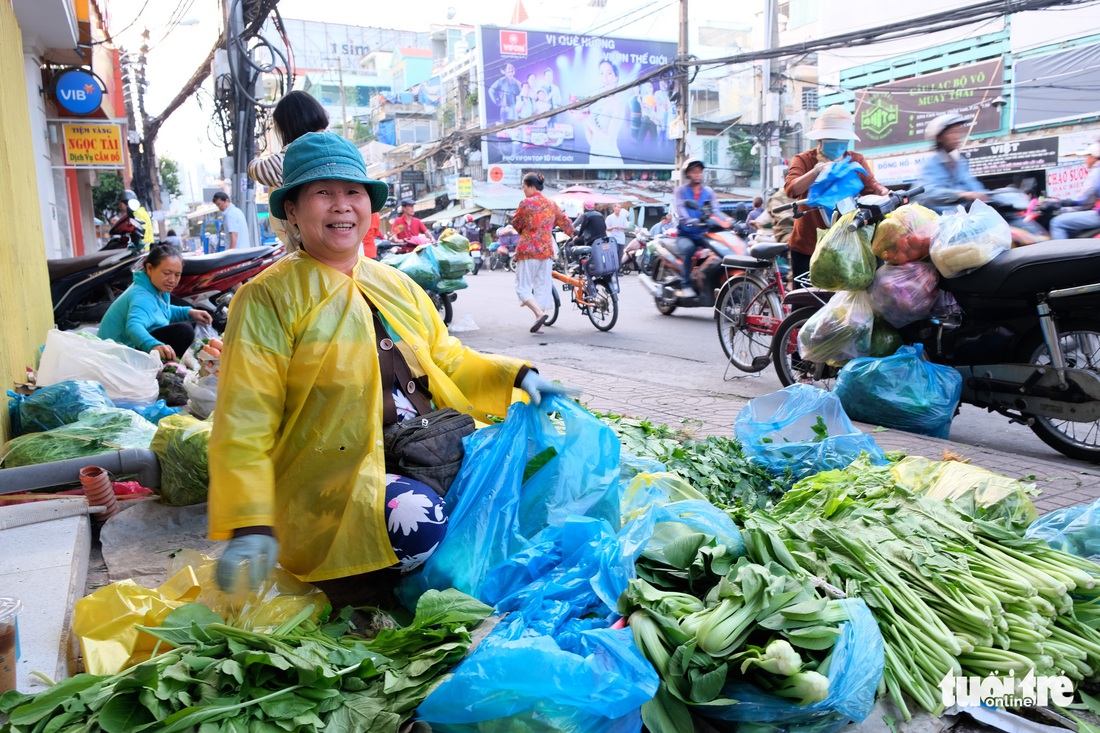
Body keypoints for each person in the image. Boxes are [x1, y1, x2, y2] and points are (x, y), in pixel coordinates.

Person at [207, 133, 574, 607]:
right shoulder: (267, 297)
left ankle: (434, 577)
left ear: (369, 207)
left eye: (353, 193)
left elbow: (450, 359)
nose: (341, 206)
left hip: (425, 449)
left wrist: (519, 376)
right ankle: (371, 587)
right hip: (332, 480)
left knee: (533, 474)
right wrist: (249, 521)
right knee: (419, 520)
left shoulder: (395, 283)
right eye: (323, 193)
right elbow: (245, 416)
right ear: (293, 211)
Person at [784, 105, 888, 284]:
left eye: (842, 139)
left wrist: (884, 192)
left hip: (846, 244)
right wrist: (816, 172)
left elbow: (872, 186)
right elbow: (792, 189)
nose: (838, 142)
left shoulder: (856, 160)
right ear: (821, 138)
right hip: (808, 244)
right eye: (833, 138)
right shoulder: (804, 160)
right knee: (806, 300)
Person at [98, 243, 214, 361]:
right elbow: (133, 327)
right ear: (149, 268)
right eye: (167, 273)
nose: (172, 280)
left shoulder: (157, 288)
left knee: (189, 323)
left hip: (128, 343)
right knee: (183, 332)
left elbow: (161, 310)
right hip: (118, 352)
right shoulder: (142, 296)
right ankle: (164, 367)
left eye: (177, 275)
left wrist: (190, 313)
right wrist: (153, 345)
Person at [248, 91, 330, 252]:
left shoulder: (302, 149)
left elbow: (259, 170)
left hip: (315, 251)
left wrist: (253, 158)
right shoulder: (337, 143)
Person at [512, 171, 574, 333]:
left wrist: (525, 231)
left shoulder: (526, 203)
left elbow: (516, 223)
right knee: (542, 286)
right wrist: (575, 235)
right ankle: (538, 320)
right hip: (547, 251)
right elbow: (566, 223)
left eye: (524, 187)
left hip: (528, 250)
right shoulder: (552, 204)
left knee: (522, 287)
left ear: (532, 187)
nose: (524, 190)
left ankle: (539, 314)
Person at [915, 113, 988, 214]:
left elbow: (975, 188)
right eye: (952, 132)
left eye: (959, 131)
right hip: (941, 223)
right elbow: (925, 194)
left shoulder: (960, 163)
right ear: (939, 137)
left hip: (965, 220)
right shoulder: (931, 164)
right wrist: (961, 195)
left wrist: (992, 196)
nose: (957, 136)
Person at [673, 158, 717, 297]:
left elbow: (715, 210)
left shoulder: (708, 192)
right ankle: (685, 283)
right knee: (688, 249)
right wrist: (689, 220)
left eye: (699, 171)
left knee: (719, 251)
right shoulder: (681, 191)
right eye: (694, 171)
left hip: (704, 234)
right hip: (686, 234)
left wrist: (727, 221)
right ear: (688, 174)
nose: (697, 174)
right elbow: (680, 208)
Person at [1050, 143, 1100, 240]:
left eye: (1087, 156)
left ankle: (1064, 254)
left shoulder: (1097, 172)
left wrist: (1065, 203)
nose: (1085, 159)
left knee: (1057, 223)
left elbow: (1085, 197)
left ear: (1093, 157)